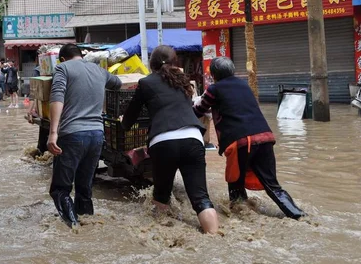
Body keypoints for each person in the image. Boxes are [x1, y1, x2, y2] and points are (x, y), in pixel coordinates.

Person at [193, 57, 306, 220]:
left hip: (241, 141)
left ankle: (242, 219)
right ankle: (298, 214)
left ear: (214, 74)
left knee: (235, 183)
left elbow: (198, 110)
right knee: (273, 185)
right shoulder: (244, 85)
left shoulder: (214, 89)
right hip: (265, 137)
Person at [122, 46, 219, 234]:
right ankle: (215, 237)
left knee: (161, 194)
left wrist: (124, 124)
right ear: (176, 63)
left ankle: (161, 235)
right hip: (193, 138)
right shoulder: (183, 81)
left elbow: (129, 119)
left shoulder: (145, 83)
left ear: (152, 64)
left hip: (163, 141)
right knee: (200, 197)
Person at [47, 44, 122, 228]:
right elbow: (118, 83)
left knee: (60, 189)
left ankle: (73, 229)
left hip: (72, 135)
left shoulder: (62, 68)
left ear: (63, 58)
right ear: (81, 56)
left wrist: (53, 133)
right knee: (84, 189)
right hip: (97, 136)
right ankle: (87, 224)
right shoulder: (99, 70)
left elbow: (57, 98)